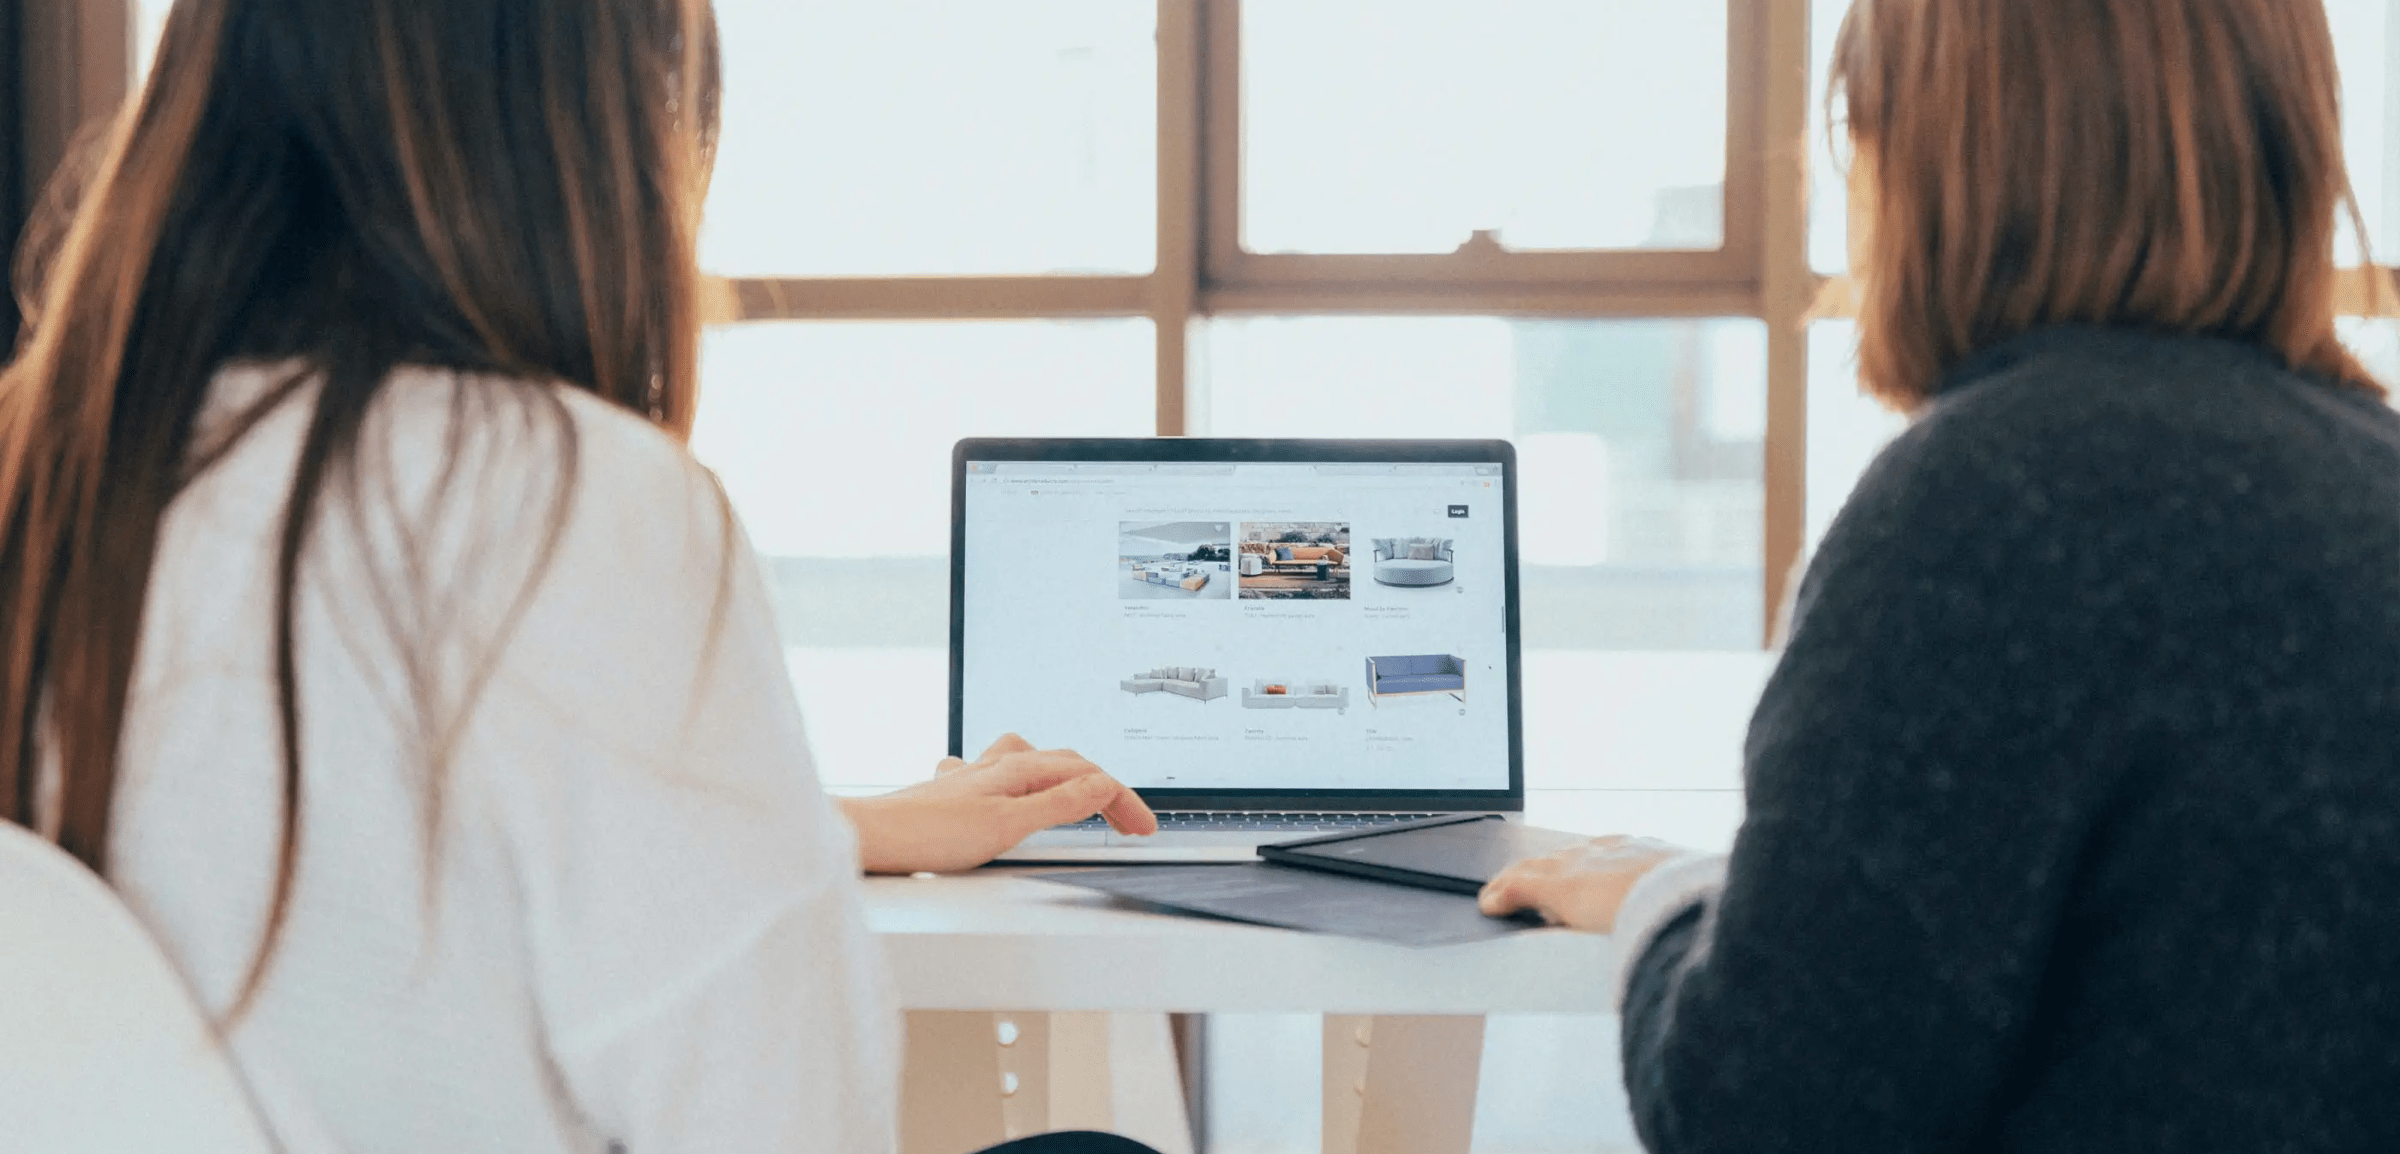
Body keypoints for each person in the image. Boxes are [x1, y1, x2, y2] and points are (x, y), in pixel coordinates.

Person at [0, 1, 1157, 1151]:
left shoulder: (48, 476)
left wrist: (831, 827)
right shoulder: (569, 499)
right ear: (584, 131)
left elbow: (311, 855)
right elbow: (788, 1112)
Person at [1482, 0, 2400, 1149]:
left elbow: (1761, 1111)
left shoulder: (1991, 496)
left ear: (1924, 159)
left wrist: (1668, 904)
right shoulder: (2375, 471)